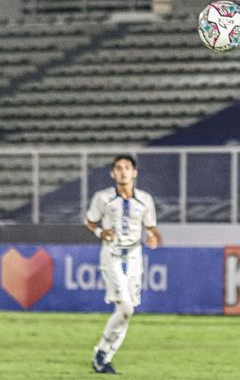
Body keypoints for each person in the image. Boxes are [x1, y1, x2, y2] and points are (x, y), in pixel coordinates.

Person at [84, 155, 162, 375]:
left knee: (127, 310)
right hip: (112, 253)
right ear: (113, 173)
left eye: (127, 168)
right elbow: (90, 220)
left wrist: (153, 237)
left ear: (134, 173)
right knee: (125, 307)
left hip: (135, 256)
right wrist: (100, 231)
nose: (123, 172)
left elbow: (151, 228)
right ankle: (102, 352)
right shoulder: (102, 198)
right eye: (118, 168)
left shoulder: (145, 199)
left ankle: (105, 357)